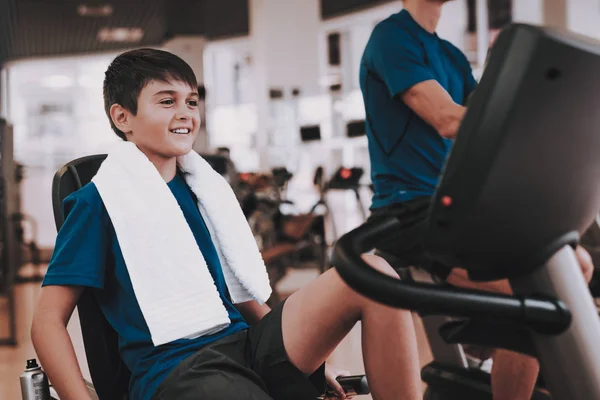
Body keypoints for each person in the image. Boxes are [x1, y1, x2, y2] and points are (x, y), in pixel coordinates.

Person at [30, 48, 423, 400]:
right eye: (167, 101)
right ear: (123, 116)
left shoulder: (204, 189)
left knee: (372, 276)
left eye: (191, 101)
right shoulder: (97, 202)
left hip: (245, 344)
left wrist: (312, 358)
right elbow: (47, 323)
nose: (185, 113)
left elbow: (236, 289)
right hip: (178, 367)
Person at [359, 1, 595, 400]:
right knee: (542, 293)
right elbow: (450, 120)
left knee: (578, 264)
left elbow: (496, 121)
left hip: (463, 208)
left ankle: (503, 353)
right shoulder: (392, 37)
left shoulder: (450, 54)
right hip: (412, 213)